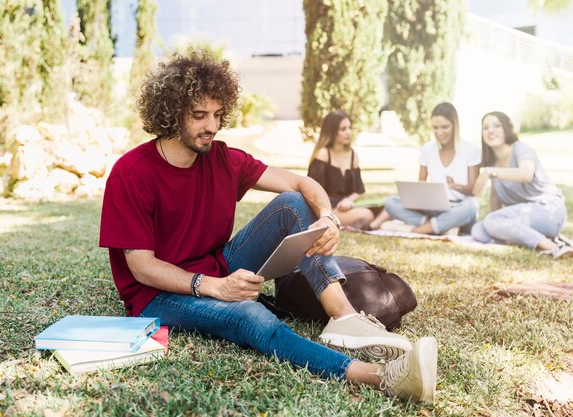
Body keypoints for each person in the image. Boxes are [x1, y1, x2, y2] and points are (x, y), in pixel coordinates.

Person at [99, 50, 438, 403]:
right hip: (157, 295)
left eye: (217, 115)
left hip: (217, 266)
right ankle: (380, 377)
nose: (212, 127)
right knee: (249, 314)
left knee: (292, 205)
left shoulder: (223, 158)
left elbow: (301, 184)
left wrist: (327, 216)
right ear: (170, 113)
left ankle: (344, 317)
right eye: (199, 116)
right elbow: (140, 267)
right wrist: (214, 287)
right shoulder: (131, 172)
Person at [471, 111, 572, 259]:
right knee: (479, 230)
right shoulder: (492, 161)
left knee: (492, 221)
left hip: (549, 210)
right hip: (524, 217)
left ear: (506, 128)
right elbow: (496, 196)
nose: (490, 130)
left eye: (496, 126)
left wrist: (490, 171)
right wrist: (495, 218)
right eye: (485, 127)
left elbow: (526, 174)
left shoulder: (520, 149)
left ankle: (556, 247)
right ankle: (545, 239)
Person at [369, 102, 480, 235]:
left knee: (472, 205)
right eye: (435, 127)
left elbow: (473, 191)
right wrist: (419, 199)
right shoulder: (428, 149)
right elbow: (420, 184)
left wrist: (456, 186)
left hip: (458, 207)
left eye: (445, 127)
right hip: (434, 209)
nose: (440, 132)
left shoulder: (470, 149)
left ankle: (418, 229)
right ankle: (442, 227)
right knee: (390, 202)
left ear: (455, 125)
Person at [307, 111, 375, 229]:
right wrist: (325, 211)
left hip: (343, 207)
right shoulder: (323, 154)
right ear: (332, 131)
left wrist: (348, 200)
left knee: (370, 213)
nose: (348, 132)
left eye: (349, 128)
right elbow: (312, 189)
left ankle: (345, 224)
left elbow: (358, 190)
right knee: (367, 215)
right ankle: (334, 223)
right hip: (323, 209)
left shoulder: (353, 155)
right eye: (343, 129)